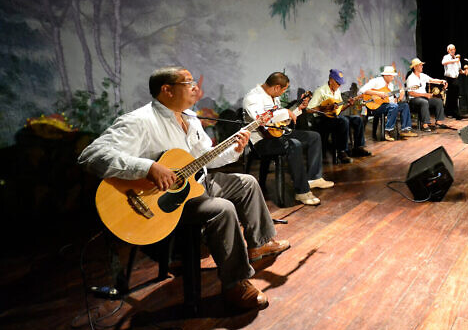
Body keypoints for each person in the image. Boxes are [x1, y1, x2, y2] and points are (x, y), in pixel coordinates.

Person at [78, 67, 289, 310]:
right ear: (167, 90)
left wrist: (235, 149)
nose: (195, 88)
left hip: (196, 184)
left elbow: (204, 158)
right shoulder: (139, 121)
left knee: (247, 183)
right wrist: (148, 168)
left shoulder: (189, 118)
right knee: (222, 209)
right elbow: (91, 155)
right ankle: (235, 283)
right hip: (165, 200)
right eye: (188, 83)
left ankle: (259, 243)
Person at [243, 72, 333, 206]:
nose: (283, 93)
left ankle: (314, 178)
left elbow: (281, 121)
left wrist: (298, 109)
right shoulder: (252, 98)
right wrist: (286, 112)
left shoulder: (274, 97)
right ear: (276, 87)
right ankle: (302, 191)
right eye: (284, 90)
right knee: (293, 144)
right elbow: (261, 119)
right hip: (261, 141)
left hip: (277, 134)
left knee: (314, 137)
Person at [307, 69, 371, 162]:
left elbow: (339, 108)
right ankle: (342, 152)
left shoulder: (337, 91)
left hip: (335, 117)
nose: (339, 85)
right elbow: (309, 109)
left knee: (357, 119)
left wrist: (348, 104)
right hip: (322, 119)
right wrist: (324, 108)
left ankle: (358, 147)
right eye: (338, 83)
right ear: (331, 80)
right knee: (343, 121)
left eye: (340, 83)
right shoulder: (320, 91)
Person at [359, 66, 418, 141]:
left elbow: (391, 102)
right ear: (386, 75)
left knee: (404, 105)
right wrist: (378, 93)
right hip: (374, 106)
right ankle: (387, 131)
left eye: (393, 76)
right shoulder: (376, 81)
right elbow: (363, 90)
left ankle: (405, 130)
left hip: (385, 106)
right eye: (391, 76)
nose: (393, 78)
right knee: (393, 106)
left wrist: (399, 98)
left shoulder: (391, 86)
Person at [405, 58, 448, 132]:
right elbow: (411, 93)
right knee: (424, 102)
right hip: (414, 100)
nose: (422, 67)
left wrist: (442, 81)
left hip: (424, 97)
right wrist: (424, 95)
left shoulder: (422, 75)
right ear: (415, 67)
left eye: (422, 65)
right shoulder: (410, 78)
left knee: (438, 101)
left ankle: (438, 122)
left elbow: (432, 80)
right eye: (420, 65)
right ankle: (425, 124)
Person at [442, 44, 468, 119]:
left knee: (454, 96)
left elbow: (459, 70)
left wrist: (464, 72)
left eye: (454, 49)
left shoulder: (457, 59)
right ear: (448, 51)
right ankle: (451, 113)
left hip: (455, 79)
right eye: (451, 49)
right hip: (449, 78)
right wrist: (454, 60)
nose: (453, 51)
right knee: (450, 96)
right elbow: (443, 62)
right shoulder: (446, 57)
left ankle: (453, 113)